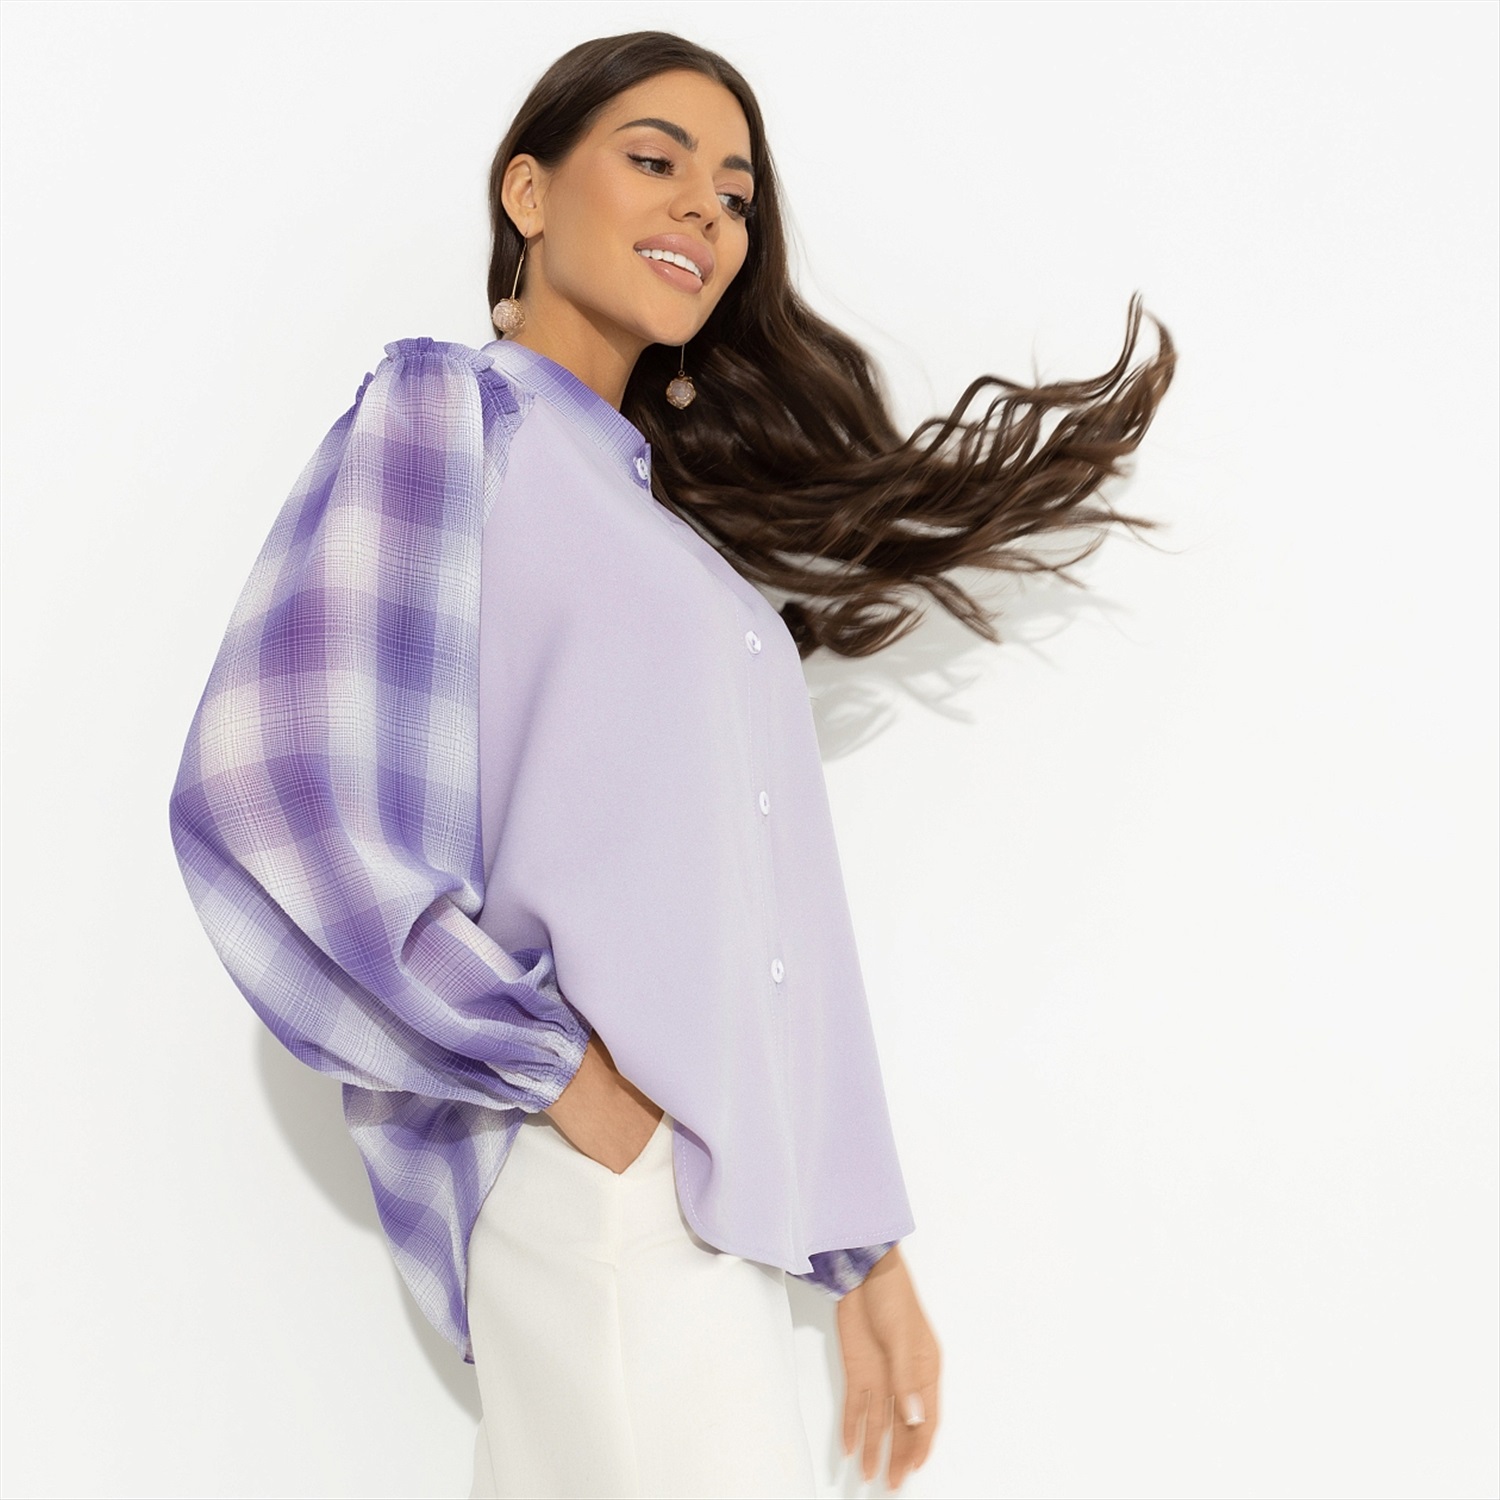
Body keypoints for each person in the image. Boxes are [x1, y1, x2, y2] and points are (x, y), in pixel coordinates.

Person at [167, 29, 1175, 1500]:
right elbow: (268, 793)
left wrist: (866, 1256)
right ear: (527, 192)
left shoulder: (667, 536)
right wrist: (570, 1087)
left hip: (689, 1209)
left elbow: (762, 909)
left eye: (737, 194)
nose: (706, 206)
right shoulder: (448, 419)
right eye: (655, 160)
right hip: (605, 1192)